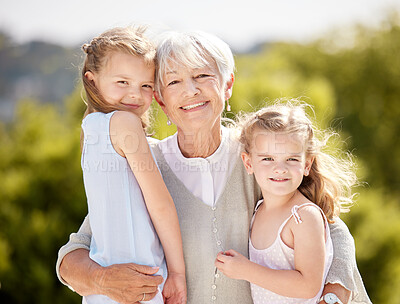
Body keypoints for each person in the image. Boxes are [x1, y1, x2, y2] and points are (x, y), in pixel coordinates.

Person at [56, 30, 370, 304]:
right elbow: (74, 252)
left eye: (203, 76)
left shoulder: (260, 158)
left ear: (227, 85)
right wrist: (102, 280)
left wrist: (333, 294)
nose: (190, 90)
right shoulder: (144, 162)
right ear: (161, 101)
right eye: (174, 81)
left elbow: (329, 226)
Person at [215, 102, 371, 303]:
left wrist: (246, 270)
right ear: (248, 163)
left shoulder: (303, 216)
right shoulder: (258, 209)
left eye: (291, 159)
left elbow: (308, 285)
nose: (280, 168)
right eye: (268, 158)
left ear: (306, 164)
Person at [76, 26, 186, 304]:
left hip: (106, 285)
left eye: (146, 85)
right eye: (122, 82)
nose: (135, 95)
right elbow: (160, 205)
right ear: (92, 80)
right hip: (142, 278)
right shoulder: (124, 123)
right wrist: (177, 272)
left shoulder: (90, 131)